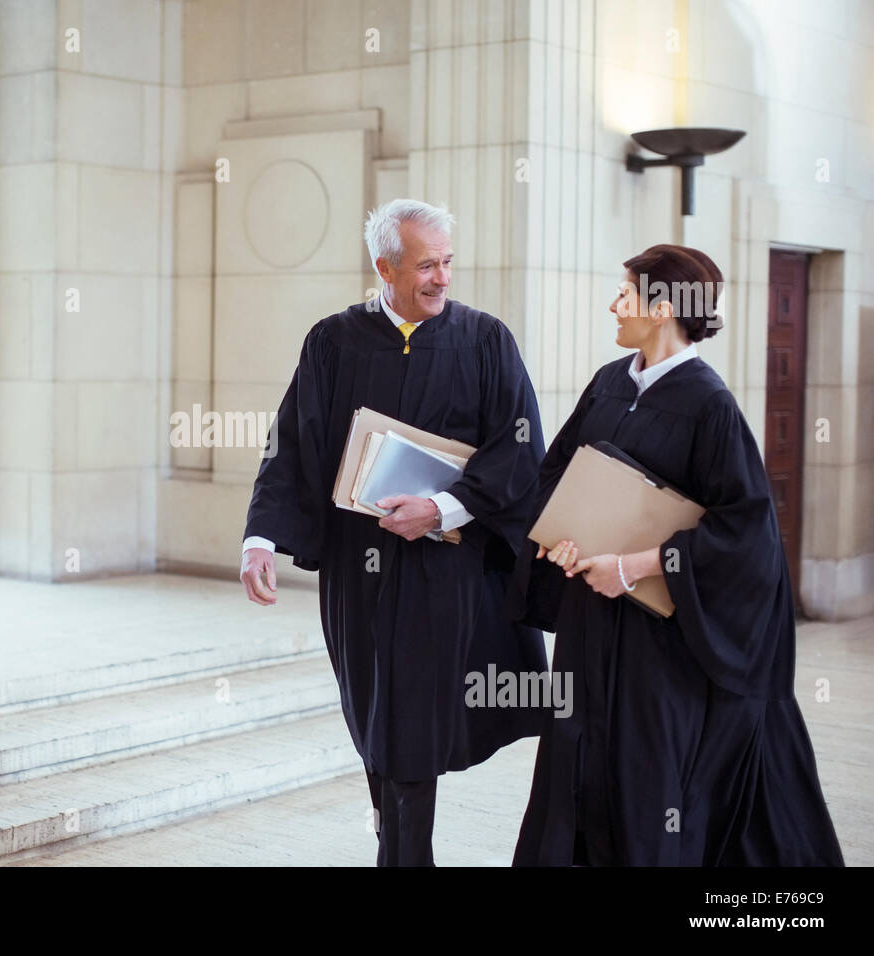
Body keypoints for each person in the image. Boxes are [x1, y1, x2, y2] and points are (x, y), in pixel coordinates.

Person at [507, 243, 845, 866]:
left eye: (625, 293)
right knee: (576, 772)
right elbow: (557, 477)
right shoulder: (610, 384)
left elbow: (747, 535)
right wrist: (562, 539)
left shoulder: (708, 404)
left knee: (645, 780)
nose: (614, 304)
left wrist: (633, 567)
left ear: (662, 307)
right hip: (590, 626)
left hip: (656, 643)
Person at [239, 199, 549, 866]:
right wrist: (260, 537)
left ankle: (407, 856)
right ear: (383, 267)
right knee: (375, 710)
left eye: (447, 263)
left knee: (411, 715)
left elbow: (519, 448)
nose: (442, 278)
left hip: (444, 569)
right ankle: (393, 839)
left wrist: (444, 507)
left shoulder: (485, 340)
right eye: (426, 266)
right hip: (359, 569)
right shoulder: (333, 341)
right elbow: (291, 442)